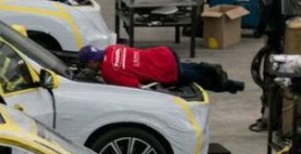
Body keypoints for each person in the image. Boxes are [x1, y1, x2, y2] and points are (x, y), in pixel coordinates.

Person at [78, 44, 245, 93]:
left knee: (200, 81)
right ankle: (206, 68)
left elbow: (134, 86)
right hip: (164, 53)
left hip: (165, 70)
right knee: (190, 68)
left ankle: (229, 85)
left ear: (92, 62)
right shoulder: (111, 49)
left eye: (87, 64)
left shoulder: (109, 73)